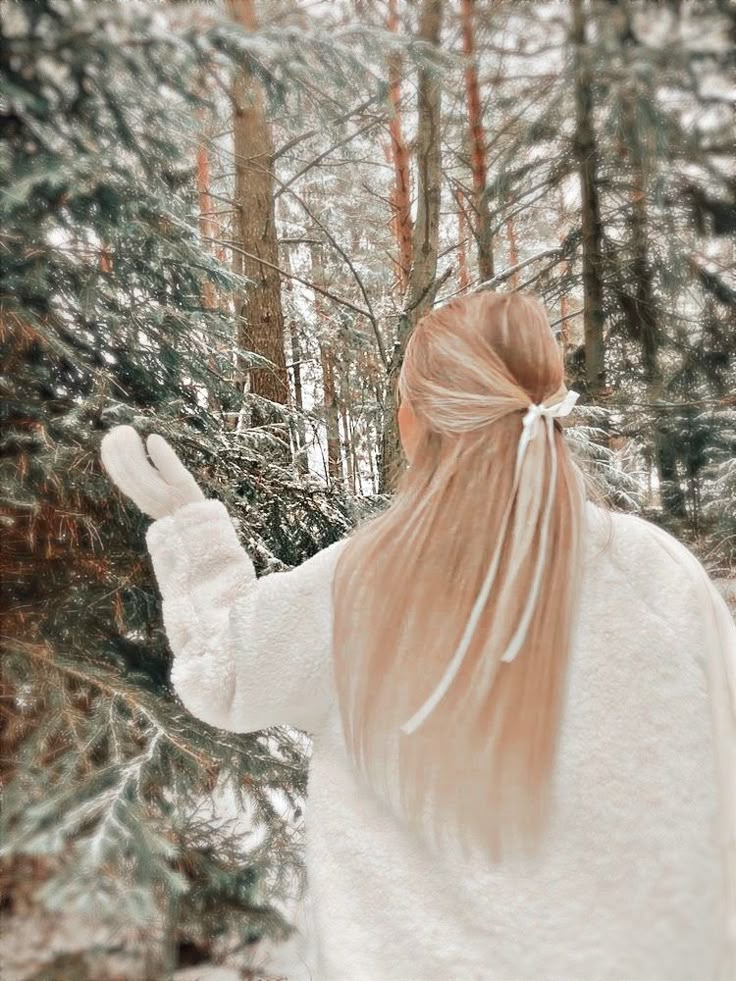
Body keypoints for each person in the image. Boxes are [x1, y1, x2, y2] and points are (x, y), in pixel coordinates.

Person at [101, 291, 735, 981]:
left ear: (412, 423)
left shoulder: (363, 583)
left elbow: (225, 676)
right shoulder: (657, 574)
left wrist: (194, 533)